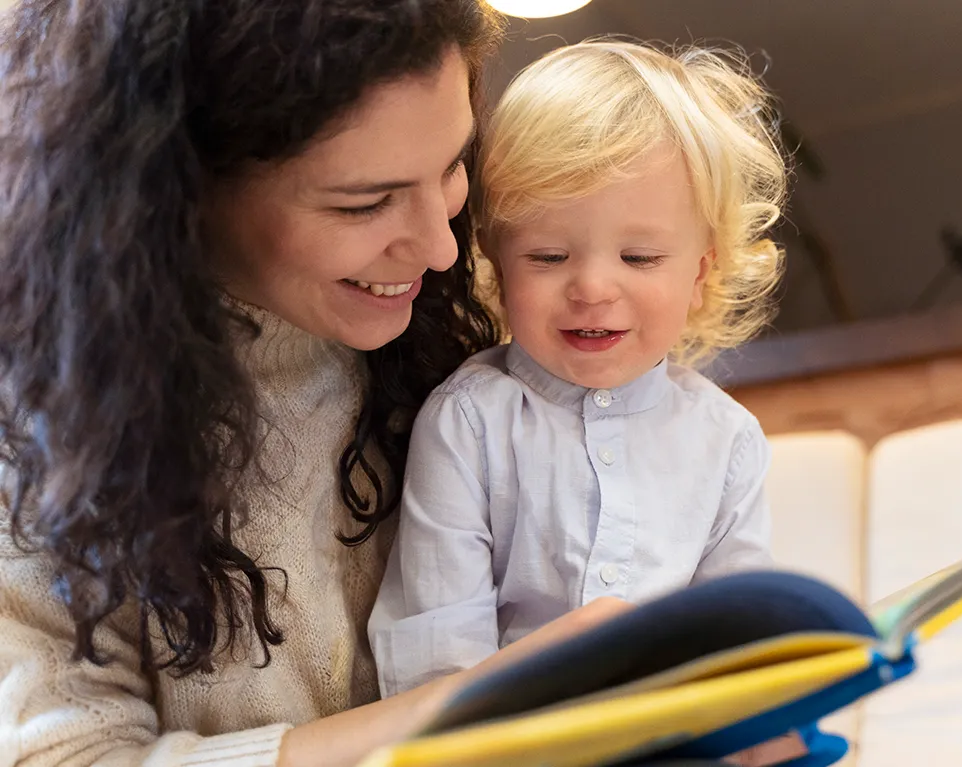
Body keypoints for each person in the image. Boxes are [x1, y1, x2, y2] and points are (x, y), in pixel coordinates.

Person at [0, 3, 628, 766]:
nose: (438, 246)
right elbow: (61, 754)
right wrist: (463, 710)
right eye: (364, 203)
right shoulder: (34, 427)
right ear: (177, 188)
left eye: (454, 166)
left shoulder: (475, 330)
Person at [369, 39, 790, 696]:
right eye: (548, 256)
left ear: (701, 273)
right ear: (496, 264)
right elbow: (437, 653)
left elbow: (735, 636)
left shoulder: (726, 442)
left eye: (640, 257)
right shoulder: (469, 423)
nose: (593, 287)